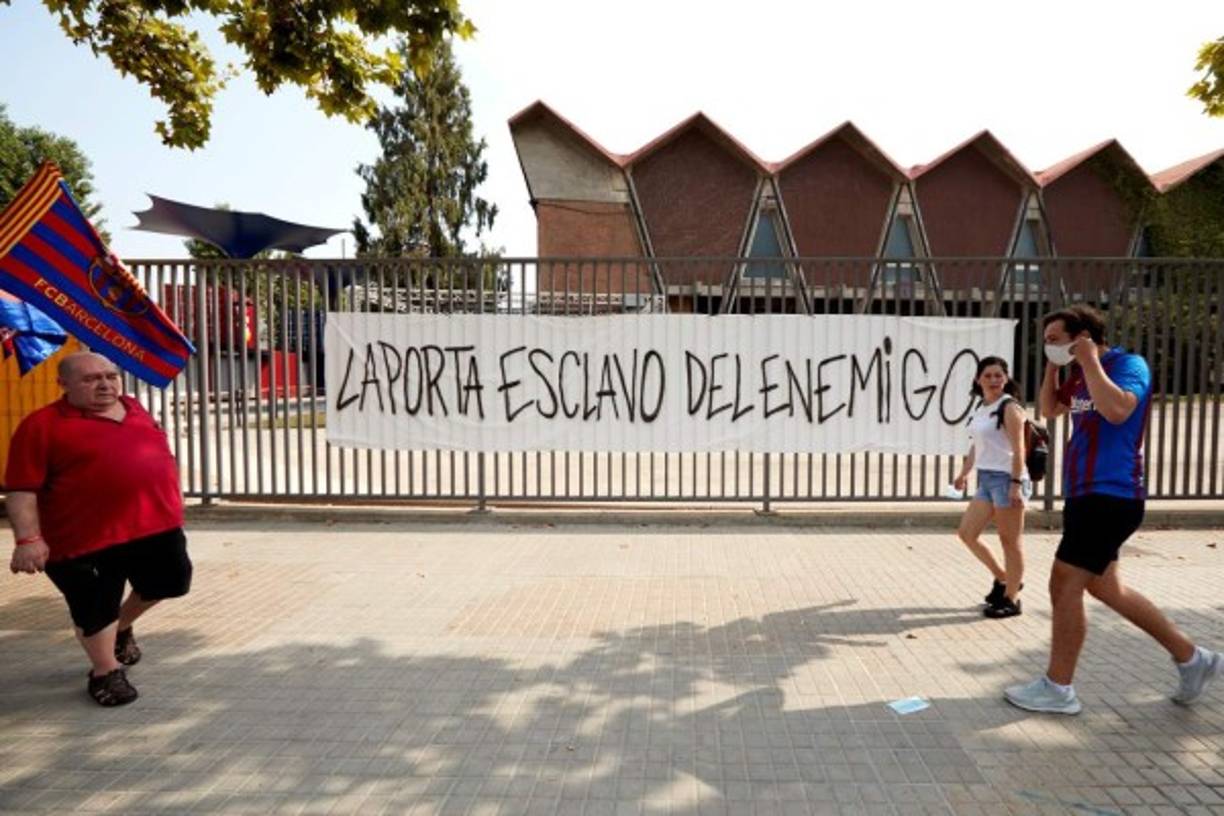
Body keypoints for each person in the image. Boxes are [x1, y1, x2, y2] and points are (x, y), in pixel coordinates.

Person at [1004, 305, 1220, 714]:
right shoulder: (1079, 375)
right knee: (1105, 587)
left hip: (1111, 494)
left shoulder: (1126, 365)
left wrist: (1088, 362)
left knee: (1063, 583)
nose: (1049, 347)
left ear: (1083, 336)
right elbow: (1049, 410)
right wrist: (1055, 370)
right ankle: (1193, 658)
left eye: (1055, 340)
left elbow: (1118, 409)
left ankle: (1059, 687)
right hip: (1086, 495)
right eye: (1046, 342)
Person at [6, 351, 192, 707]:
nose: (105, 384)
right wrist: (28, 539)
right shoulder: (41, 426)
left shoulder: (134, 407)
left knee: (171, 582)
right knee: (95, 607)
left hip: (154, 526)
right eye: (91, 379)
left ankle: (120, 629)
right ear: (63, 385)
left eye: (110, 376)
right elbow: (21, 488)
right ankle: (105, 672)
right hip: (80, 538)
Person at [952, 356, 1029, 619]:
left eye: (999, 375)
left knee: (1010, 541)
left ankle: (1011, 599)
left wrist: (1016, 484)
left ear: (1006, 378)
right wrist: (964, 473)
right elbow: (978, 444)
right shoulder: (983, 407)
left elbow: (1020, 448)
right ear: (978, 380)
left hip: (1008, 478)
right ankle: (1004, 578)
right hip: (986, 479)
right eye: (988, 376)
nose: (994, 380)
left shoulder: (1010, 407)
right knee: (966, 533)